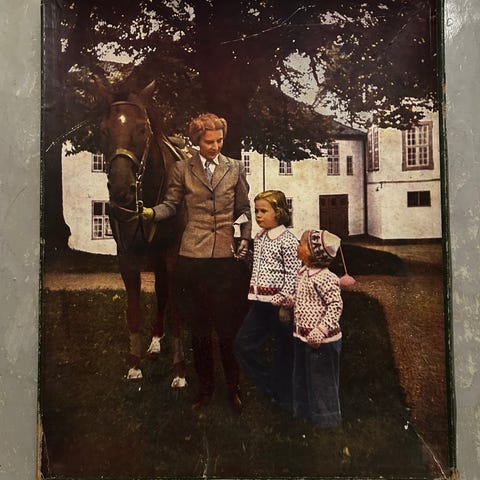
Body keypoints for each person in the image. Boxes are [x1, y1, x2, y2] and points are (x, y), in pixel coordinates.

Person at [141, 113, 252, 413]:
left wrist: (244, 238)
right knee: (200, 330)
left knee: (228, 329)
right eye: (209, 142)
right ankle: (205, 391)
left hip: (226, 261)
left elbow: (243, 208)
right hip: (192, 260)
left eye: (219, 141)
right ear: (196, 141)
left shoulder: (235, 168)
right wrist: (152, 213)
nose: (215, 146)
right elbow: (171, 204)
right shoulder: (182, 169)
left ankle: (234, 389)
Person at [234, 190, 301, 410]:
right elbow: (259, 267)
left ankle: (285, 398)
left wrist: (285, 305)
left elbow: (293, 274)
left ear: (279, 212)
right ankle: (271, 385)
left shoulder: (288, 240)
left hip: (279, 306)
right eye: (256, 211)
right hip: (259, 303)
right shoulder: (260, 237)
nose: (258, 215)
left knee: (284, 351)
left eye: (264, 211)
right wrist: (246, 257)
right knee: (243, 345)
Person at [274, 229, 343, 428]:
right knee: (302, 376)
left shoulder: (326, 278)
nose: (297, 246)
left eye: (301, 244)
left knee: (322, 380)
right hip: (302, 336)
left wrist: (321, 330)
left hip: (323, 341)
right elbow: (302, 298)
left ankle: (327, 421)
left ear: (312, 253)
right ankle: (304, 414)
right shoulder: (302, 273)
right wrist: (289, 301)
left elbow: (335, 306)